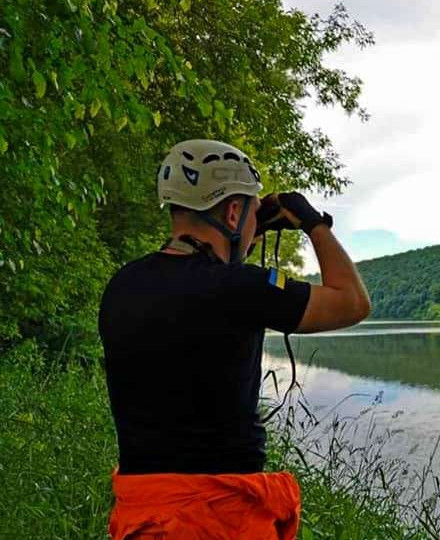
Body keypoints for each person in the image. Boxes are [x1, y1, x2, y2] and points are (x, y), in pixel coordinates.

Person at [98, 139, 371, 540]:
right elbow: (353, 302)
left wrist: (241, 231)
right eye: (251, 212)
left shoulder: (122, 285)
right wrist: (314, 223)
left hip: (141, 518)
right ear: (231, 211)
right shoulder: (241, 288)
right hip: (217, 520)